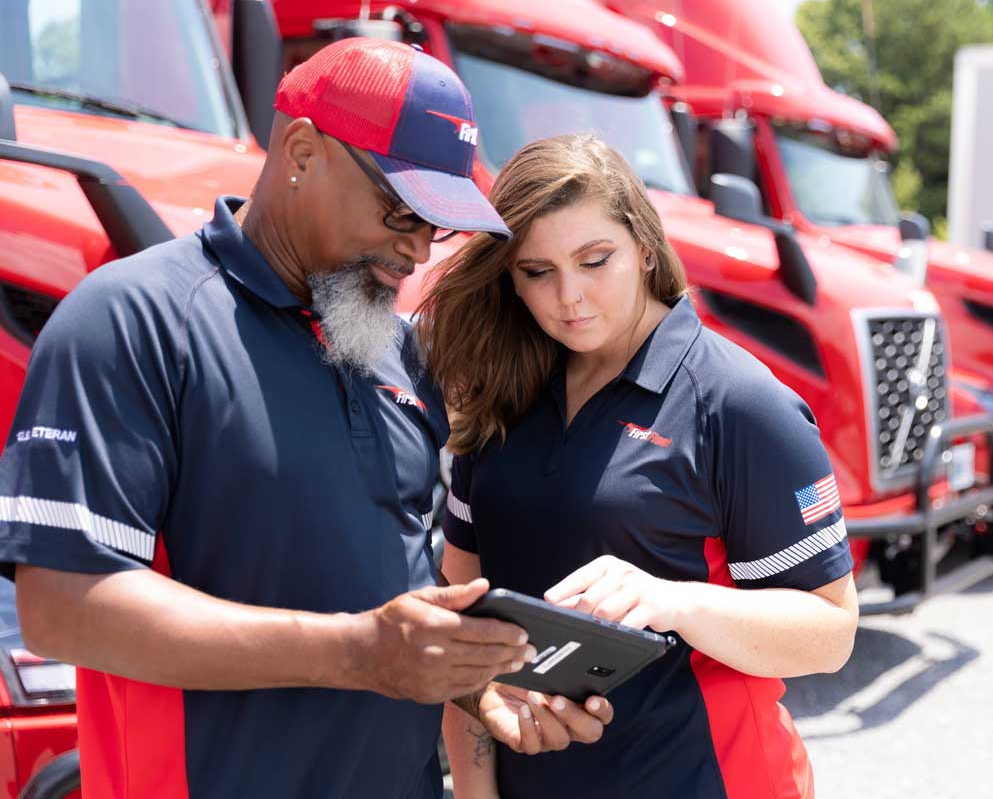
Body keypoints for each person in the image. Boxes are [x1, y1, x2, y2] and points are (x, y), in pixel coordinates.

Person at [0, 40, 609, 799]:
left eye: (437, 225)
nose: (416, 250)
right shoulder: (131, 322)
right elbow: (62, 608)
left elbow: (388, 585)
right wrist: (355, 652)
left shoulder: (395, 350)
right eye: (401, 211)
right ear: (300, 150)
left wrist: (470, 681)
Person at [418, 134, 859, 799]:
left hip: (715, 779)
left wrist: (671, 602)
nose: (570, 296)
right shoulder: (501, 395)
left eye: (596, 260)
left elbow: (830, 632)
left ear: (645, 247)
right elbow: (464, 623)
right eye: (537, 271)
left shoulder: (738, 403)